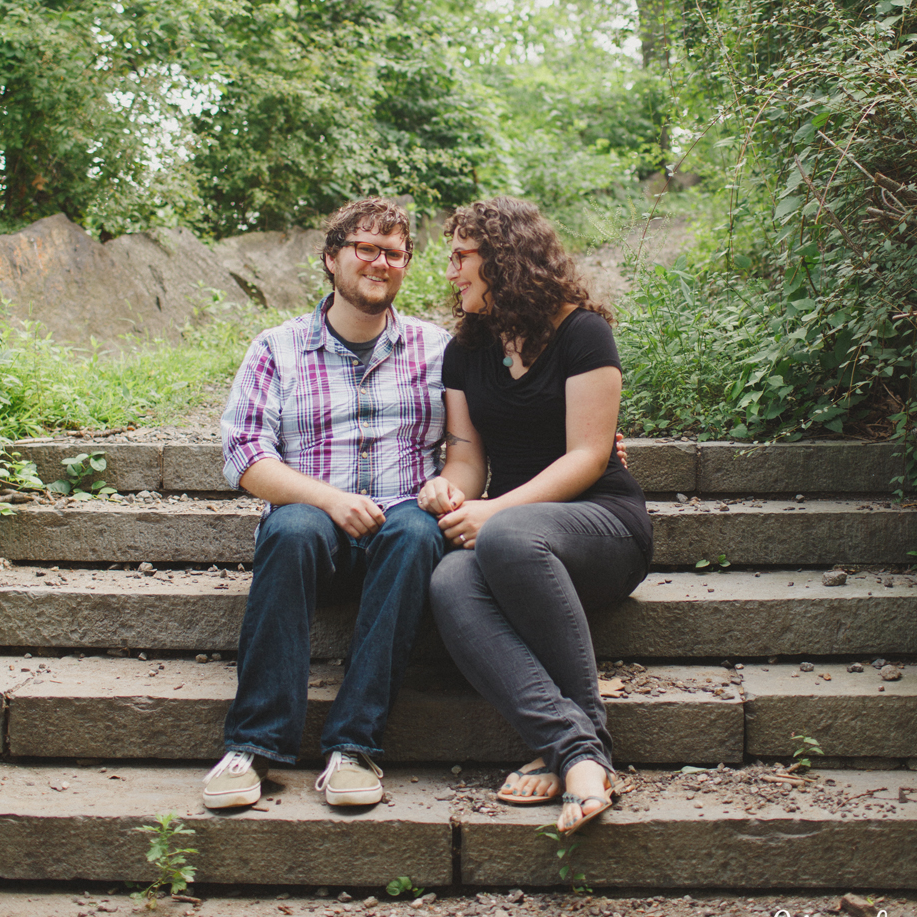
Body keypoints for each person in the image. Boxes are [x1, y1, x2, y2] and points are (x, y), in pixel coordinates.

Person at [203, 197, 450, 811]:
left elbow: (475, 437)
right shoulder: (276, 348)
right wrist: (333, 502)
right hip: (312, 533)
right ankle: (253, 744)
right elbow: (245, 457)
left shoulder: (438, 349)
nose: (380, 262)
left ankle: (355, 746)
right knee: (291, 528)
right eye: (366, 248)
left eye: (394, 252)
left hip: (401, 534)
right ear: (331, 258)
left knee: (417, 533)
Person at [418, 196, 652, 835]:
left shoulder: (583, 333)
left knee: (510, 539)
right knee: (447, 581)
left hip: (600, 524)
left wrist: (496, 512)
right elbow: (467, 457)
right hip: (513, 535)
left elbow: (587, 455)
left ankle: (588, 741)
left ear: (503, 258)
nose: (451, 272)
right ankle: (573, 746)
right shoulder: (466, 349)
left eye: (462, 257)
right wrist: (449, 491)